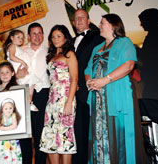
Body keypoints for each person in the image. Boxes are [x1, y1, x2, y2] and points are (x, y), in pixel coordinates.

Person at [85, 14, 137, 163]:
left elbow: (128, 65)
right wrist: (90, 82)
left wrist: (105, 80)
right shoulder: (96, 48)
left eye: (102, 23)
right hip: (98, 98)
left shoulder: (124, 42)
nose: (99, 26)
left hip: (116, 95)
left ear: (113, 26)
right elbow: (88, 70)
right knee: (98, 135)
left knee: (118, 135)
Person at [40, 24, 78, 164]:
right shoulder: (51, 55)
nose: (55, 39)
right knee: (50, 134)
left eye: (59, 36)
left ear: (65, 37)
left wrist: (69, 102)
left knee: (64, 135)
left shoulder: (70, 54)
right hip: (52, 100)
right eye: (53, 36)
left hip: (65, 99)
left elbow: (74, 79)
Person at [72, 9, 104, 164]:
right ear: (73, 22)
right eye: (76, 18)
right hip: (73, 93)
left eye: (82, 17)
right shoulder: (70, 42)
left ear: (88, 20)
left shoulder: (97, 37)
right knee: (77, 132)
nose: (79, 20)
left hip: (89, 91)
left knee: (90, 131)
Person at [16, 22, 50, 164]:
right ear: (28, 36)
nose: (37, 36)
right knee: (24, 132)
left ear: (43, 35)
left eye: (40, 33)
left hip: (43, 94)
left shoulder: (49, 51)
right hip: (24, 94)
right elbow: (13, 73)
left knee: (41, 132)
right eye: (34, 33)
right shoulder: (20, 51)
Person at [4, 29, 38, 111]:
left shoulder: (16, 47)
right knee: (28, 84)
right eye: (18, 37)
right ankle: (28, 101)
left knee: (32, 83)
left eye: (22, 38)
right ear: (12, 38)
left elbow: (26, 46)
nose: (20, 39)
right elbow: (11, 56)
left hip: (24, 70)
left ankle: (29, 101)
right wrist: (23, 62)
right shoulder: (11, 46)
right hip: (19, 69)